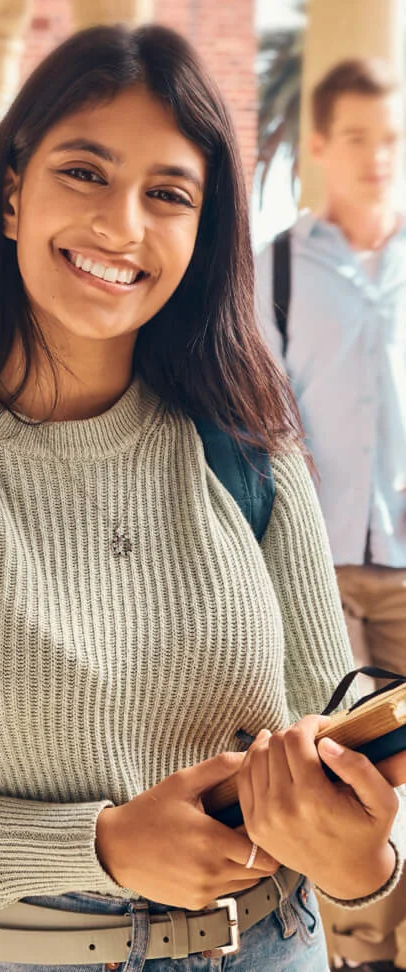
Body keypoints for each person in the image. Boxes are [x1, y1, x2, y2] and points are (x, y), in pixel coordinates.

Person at [0, 26, 406, 972]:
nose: (123, 226)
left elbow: (324, 755)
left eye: (169, 195)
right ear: (12, 193)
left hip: (273, 945)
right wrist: (96, 845)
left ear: (200, 233)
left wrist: (360, 859)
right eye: (86, 174)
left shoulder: (254, 455)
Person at [256, 59, 406, 972]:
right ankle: (362, 954)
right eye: (357, 138)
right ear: (318, 146)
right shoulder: (274, 268)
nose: (378, 157)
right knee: (348, 783)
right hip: (318, 575)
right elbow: (258, 418)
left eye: (391, 139)